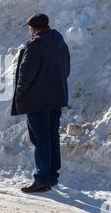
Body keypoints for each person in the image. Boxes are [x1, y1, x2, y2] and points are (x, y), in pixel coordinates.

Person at [12, 14, 71, 194]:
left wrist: (21, 92)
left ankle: (42, 179)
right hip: (56, 98)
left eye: (30, 28)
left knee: (41, 139)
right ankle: (52, 176)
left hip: (37, 100)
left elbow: (26, 73)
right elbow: (66, 69)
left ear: (34, 28)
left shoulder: (35, 45)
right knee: (52, 137)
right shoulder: (60, 43)